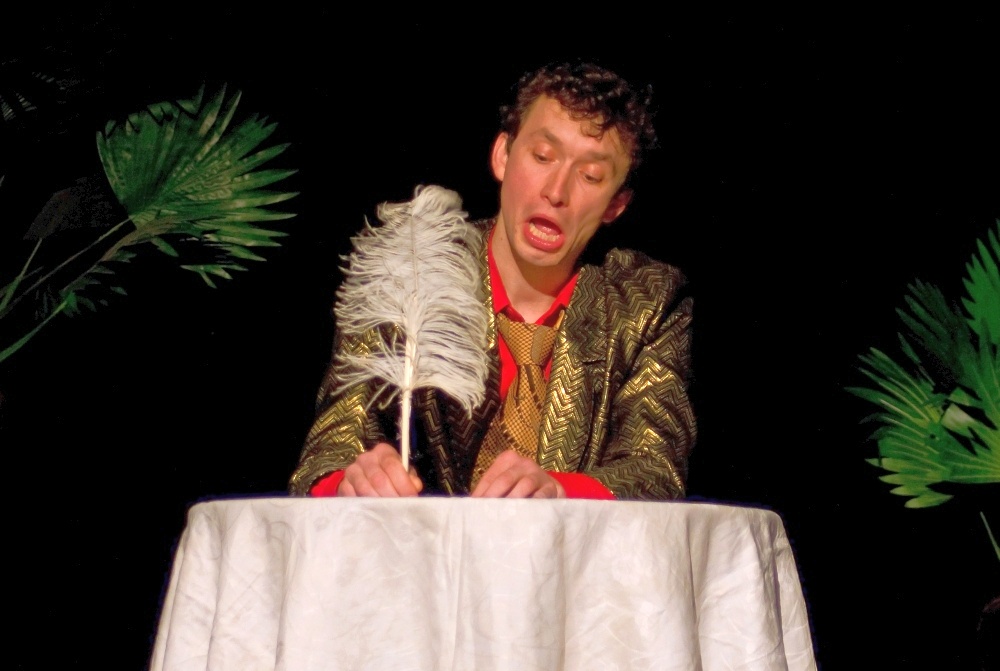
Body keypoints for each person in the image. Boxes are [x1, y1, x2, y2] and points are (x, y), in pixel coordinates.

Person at [288, 60, 695, 500]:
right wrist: (350, 480)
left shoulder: (648, 301)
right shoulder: (412, 272)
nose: (557, 191)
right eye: (542, 157)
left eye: (590, 176)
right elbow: (330, 446)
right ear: (502, 155)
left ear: (615, 204)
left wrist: (560, 493)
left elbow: (655, 471)